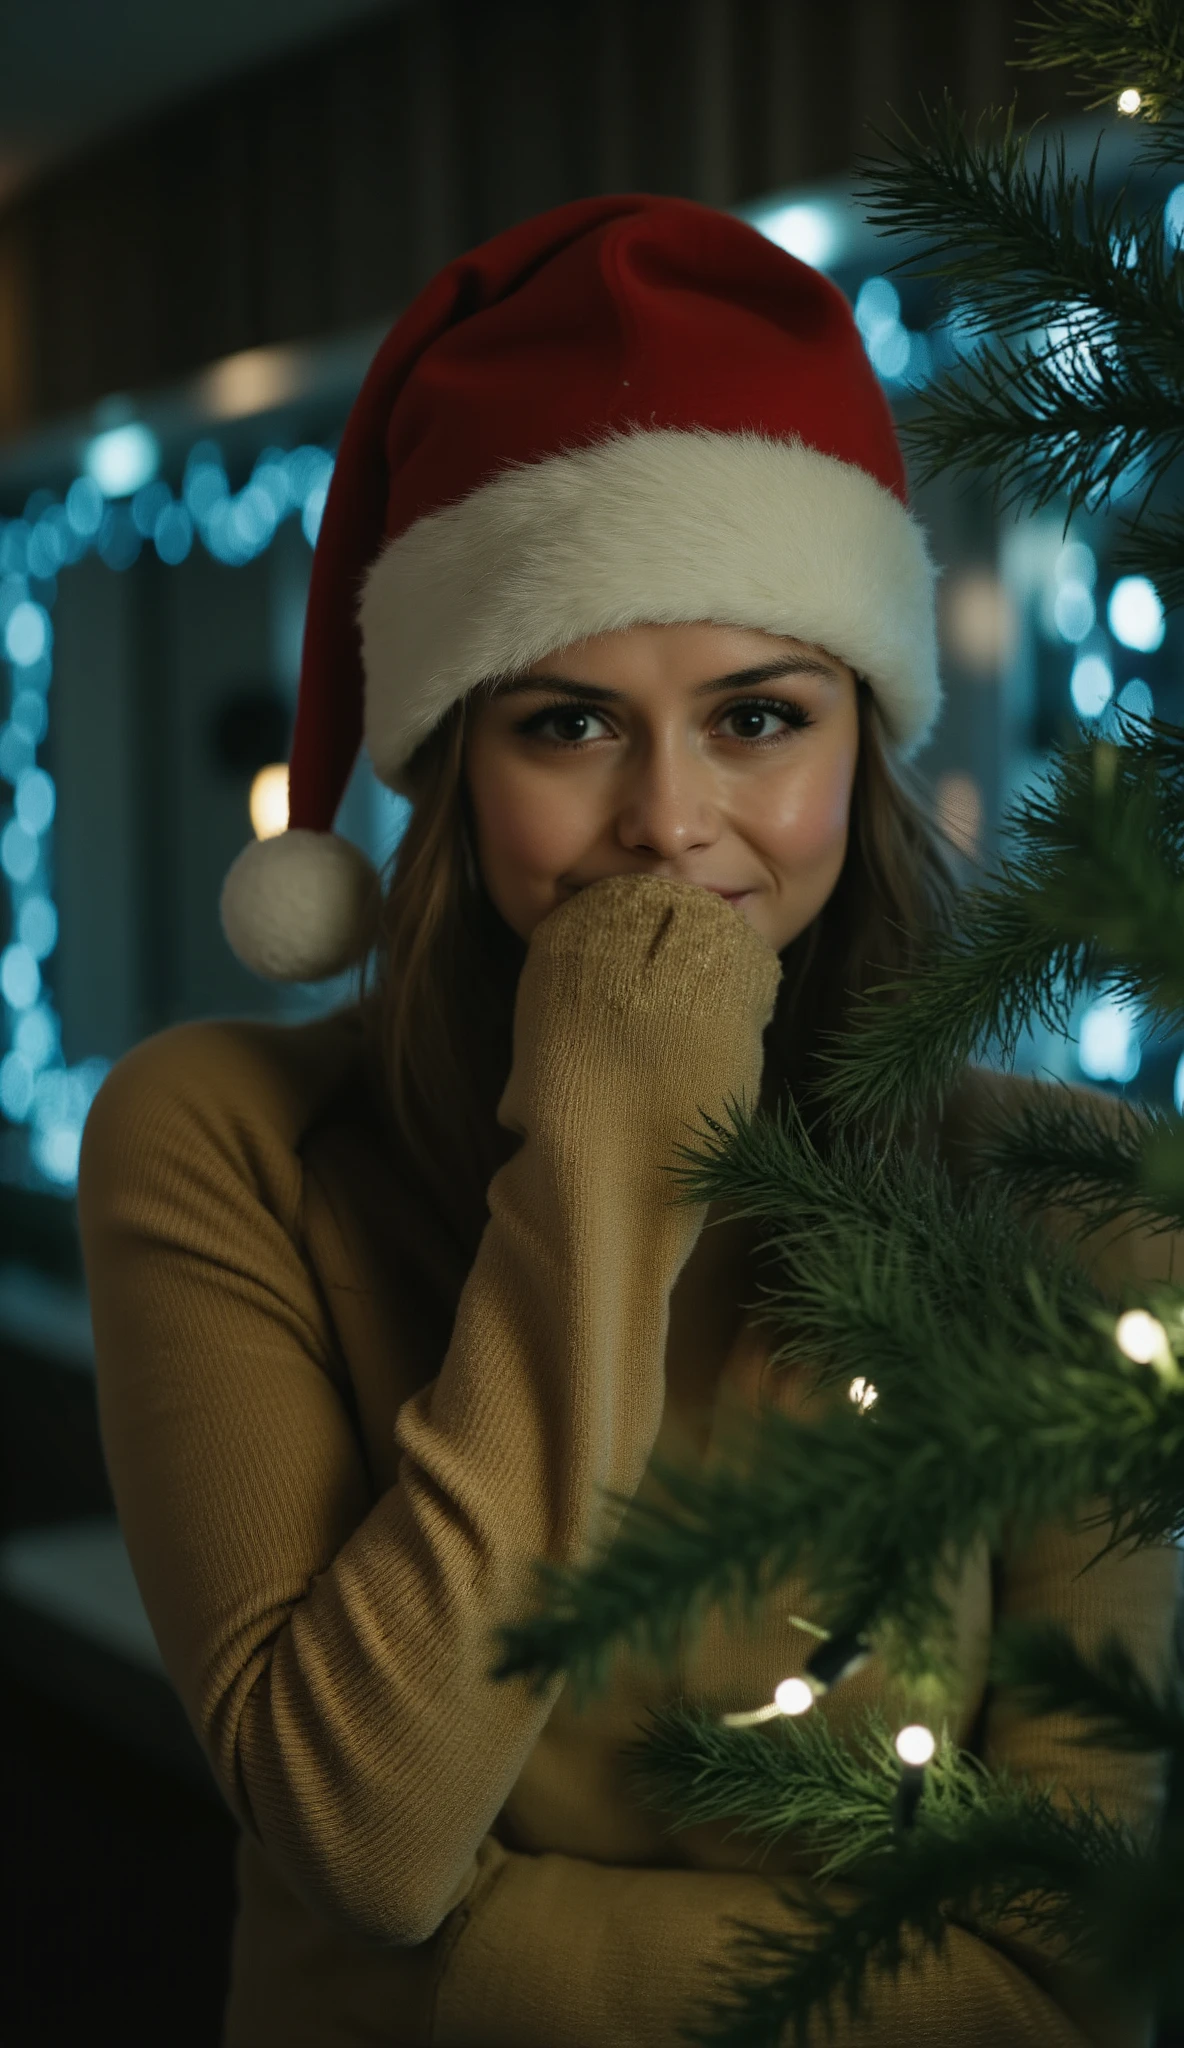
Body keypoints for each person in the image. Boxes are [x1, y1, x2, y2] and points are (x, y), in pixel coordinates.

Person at [76, 194, 1178, 2048]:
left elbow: (1055, 1982)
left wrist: (465, 1970)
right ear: (448, 766)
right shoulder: (223, 1144)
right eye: (570, 726)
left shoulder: (1080, 1204)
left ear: (864, 748)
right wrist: (605, 1141)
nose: (669, 823)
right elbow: (368, 1839)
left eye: (757, 718)